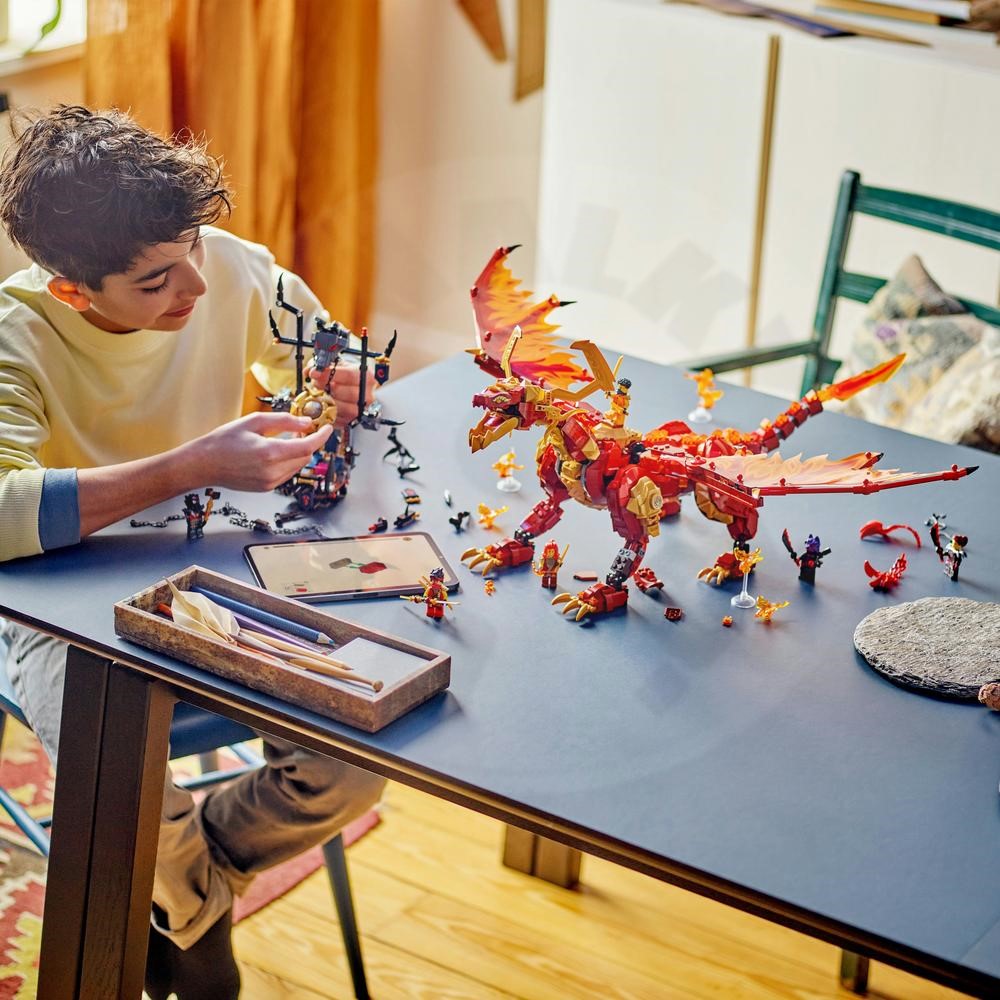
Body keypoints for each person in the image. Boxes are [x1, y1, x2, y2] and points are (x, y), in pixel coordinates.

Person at [0, 105, 385, 999]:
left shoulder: (228, 267)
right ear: (73, 292)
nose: (199, 286)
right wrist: (191, 465)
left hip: (216, 572)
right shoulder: (15, 338)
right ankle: (197, 918)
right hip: (59, 603)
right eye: (157, 280)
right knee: (111, 772)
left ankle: (185, 896)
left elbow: (327, 354)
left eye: (196, 248)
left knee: (350, 769)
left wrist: (349, 378)